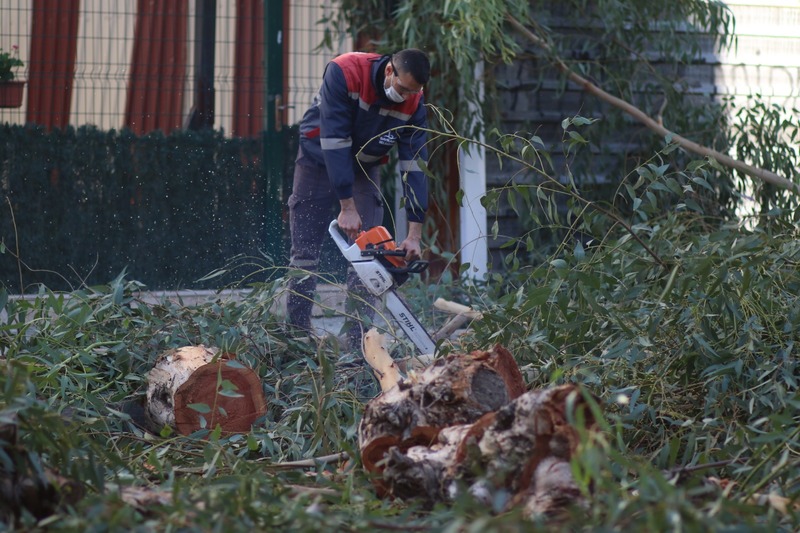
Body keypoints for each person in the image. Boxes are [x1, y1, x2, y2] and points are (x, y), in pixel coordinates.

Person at [286, 48, 431, 348]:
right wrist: (346, 206)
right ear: (389, 71)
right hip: (318, 157)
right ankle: (297, 338)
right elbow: (335, 139)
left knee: (368, 258)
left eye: (413, 92)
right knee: (305, 253)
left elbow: (414, 165)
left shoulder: (415, 101)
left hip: (365, 166)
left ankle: (358, 346)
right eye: (403, 89)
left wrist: (415, 234)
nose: (405, 97)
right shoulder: (346, 71)